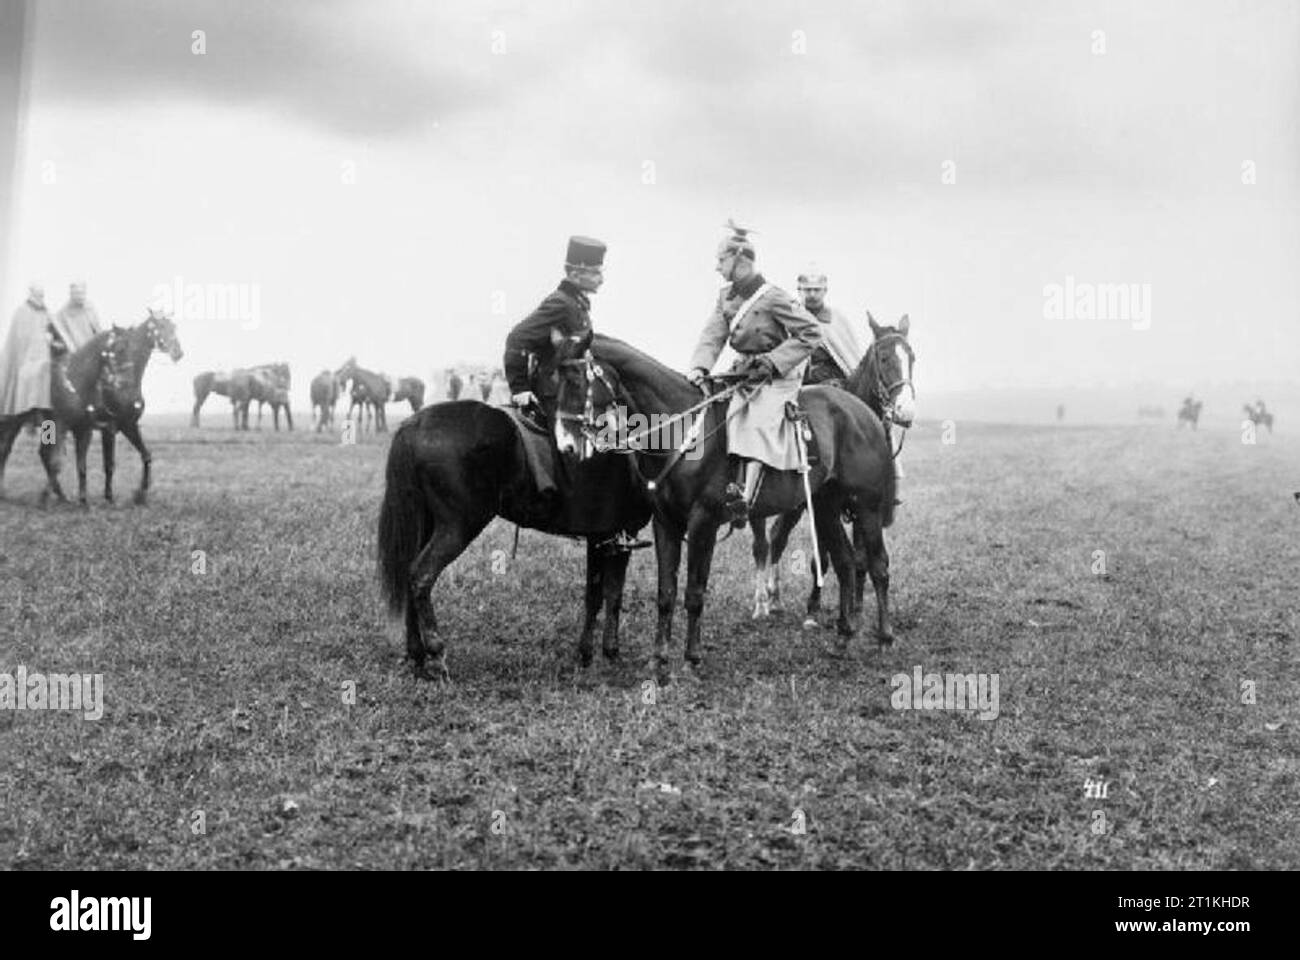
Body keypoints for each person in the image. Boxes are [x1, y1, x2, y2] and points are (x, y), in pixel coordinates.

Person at [686, 222, 822, 526]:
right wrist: (699, 366)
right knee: (713, 413)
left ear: (739, 259)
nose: (717, 266)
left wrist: (773, 362)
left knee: (756, 420)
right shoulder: (725, 298)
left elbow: (811, 333)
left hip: (777, 375)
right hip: (744, 372)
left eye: (721, 260)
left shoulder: (773, 297)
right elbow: (713, 335)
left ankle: (744, 498)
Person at [504, 235, 606, 419]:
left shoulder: (576, 304)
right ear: (575, 274)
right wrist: (520, 388)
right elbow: (517, 338)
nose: (601, 279)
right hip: (553, 396)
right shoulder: (561, 303)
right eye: (595, 273)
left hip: (570, 393)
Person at [797, 267, 864, 387]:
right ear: (800, 291)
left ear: (825, 291)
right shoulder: (792, 317)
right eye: (807, 290)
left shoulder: (837, 319)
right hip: (798, 380)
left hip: (833, 379)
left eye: (817, 290)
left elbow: (849, 358)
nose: (812, 294)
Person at [0, 283, 56, 418]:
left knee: (48, 412)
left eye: (42, 295)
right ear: (30, 294)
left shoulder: (48, 313)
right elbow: (18, 341)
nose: (40, 297)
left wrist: (51, 339)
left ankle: (47, 439)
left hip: (45, 374)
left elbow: (58, 335)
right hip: (25, 371)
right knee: (20, 410)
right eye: (37, 294)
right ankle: (8, 436)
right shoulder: (21, 312)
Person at [51, 280, 102, 352]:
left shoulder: (90, 308)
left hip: (93, 351)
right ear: (71, 294)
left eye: (82, 293)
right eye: (77, 293)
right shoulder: (62, 314)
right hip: (75, 354)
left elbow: (98, 330)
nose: (81, 296)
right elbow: (62, 337)